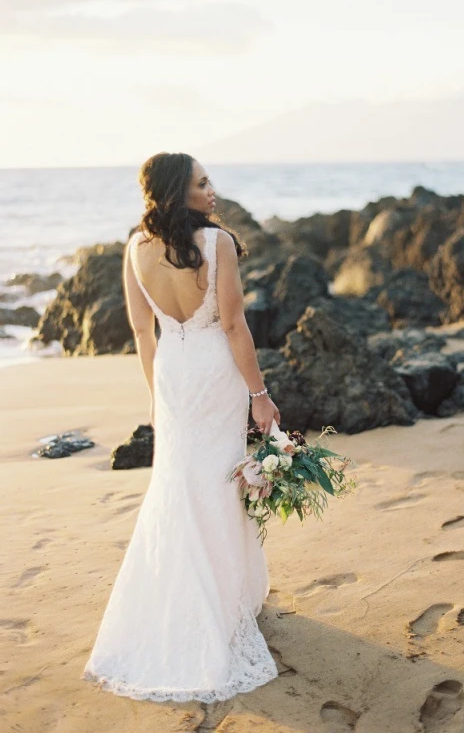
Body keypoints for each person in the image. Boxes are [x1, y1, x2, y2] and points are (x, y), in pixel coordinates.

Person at [81, 152, 281, 702]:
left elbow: (143, 334)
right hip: (215, 371)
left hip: (172, 373)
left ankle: (181, 597)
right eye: (201, 182)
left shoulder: (134, 247)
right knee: (216, 481)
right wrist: (260, 396)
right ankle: (218, 603)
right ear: (177, 191)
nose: (212, 190)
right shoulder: (216, 244)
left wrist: (156, 397)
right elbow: (235, 324)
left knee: (176, 485)